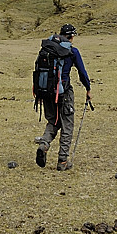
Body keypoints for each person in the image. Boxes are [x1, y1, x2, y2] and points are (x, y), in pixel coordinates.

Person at [35, 23, 92, 171]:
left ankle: (44, 144)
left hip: (46, 92)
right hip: (64, 92)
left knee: (53, 121)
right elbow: (82, 72)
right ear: (71, 37)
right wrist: (88, 89)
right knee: (67, 124)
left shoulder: (47, 48)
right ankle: (62, 161)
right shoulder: (72, 51)